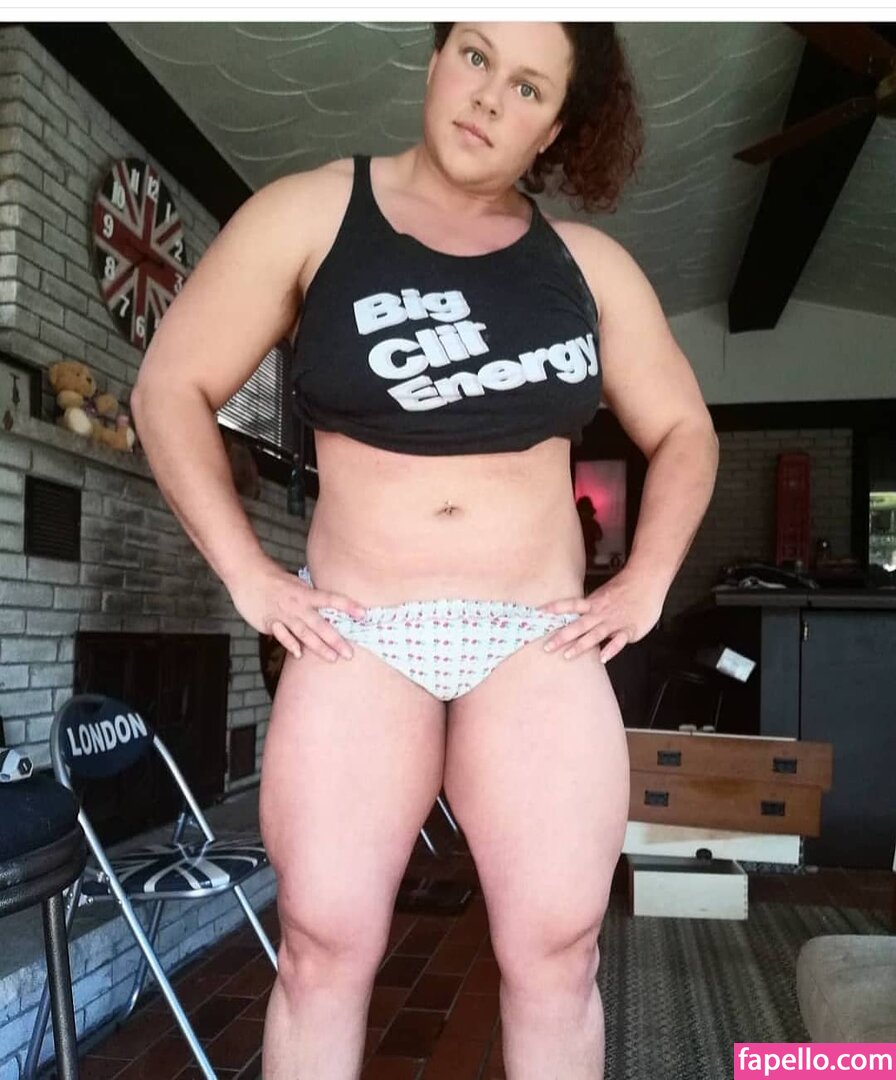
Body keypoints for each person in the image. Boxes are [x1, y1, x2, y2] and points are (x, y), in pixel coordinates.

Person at [131, 21, 719, 1080]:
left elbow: (683, 429)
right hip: (361, 632)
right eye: (477, 56)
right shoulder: (311, 214)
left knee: (558, 954)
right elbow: (169, 388)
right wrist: (249, 576)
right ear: (439, 56)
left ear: (554, 128)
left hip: (533, 639)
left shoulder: (588, 266)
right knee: (319, 950)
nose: (489, 96)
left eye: (529, 86)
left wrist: (647, 581)